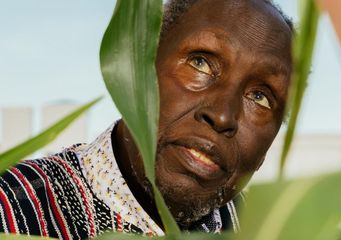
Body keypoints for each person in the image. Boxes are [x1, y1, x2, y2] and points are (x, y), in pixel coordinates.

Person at [0, 0, 293, 238]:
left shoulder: (269, 230)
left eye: (260, 97)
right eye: (200, 62)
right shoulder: (12, 207)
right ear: (138, 68)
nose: (222, 115)